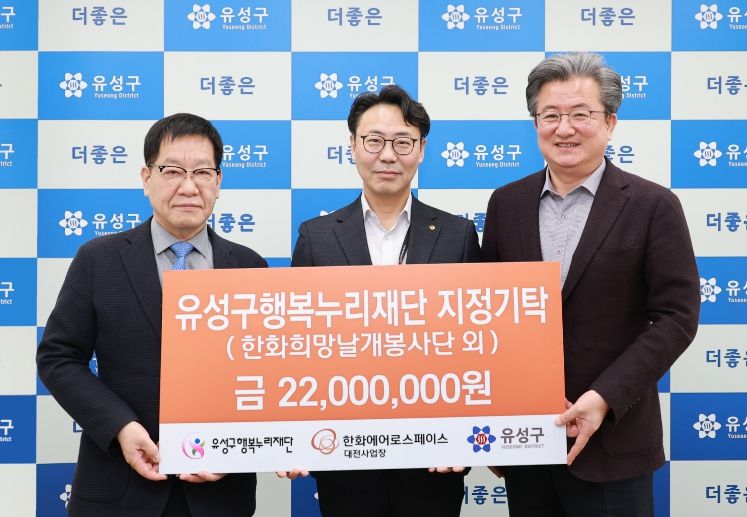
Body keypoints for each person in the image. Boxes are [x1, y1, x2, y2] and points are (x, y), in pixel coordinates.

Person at [481, 52, 700, 516]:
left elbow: (677, 317)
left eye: (581, 114)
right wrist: (492, 423)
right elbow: (486, 317)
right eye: (550, 115)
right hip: (527, 443)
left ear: (610, 122)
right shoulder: (506, 204)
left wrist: (604, 397)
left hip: (614, 442)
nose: (564, 128)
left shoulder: (652, 205)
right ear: (535, 122)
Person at [37, 113, 266, 517]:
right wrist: (121, 427)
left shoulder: (249, 267)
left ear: (218, 181)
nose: (189, 187)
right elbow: (58, 358)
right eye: (172, 171)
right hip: (118, 488)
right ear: (146, 178)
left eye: (203, 173)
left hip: (219, 494)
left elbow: (267, 373)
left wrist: (233, 450)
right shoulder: (98, 260)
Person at [286, 85, 481, 516]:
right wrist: (296, 437)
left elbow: (477, 348)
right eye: (373, 141)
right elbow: (299, 348)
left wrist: (465, 440)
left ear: (421, 149)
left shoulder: (458, 235)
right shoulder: (317, 237)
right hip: (345, 460)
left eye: (403, 142)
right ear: (353, 146)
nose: (388, 155)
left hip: (434, 458)